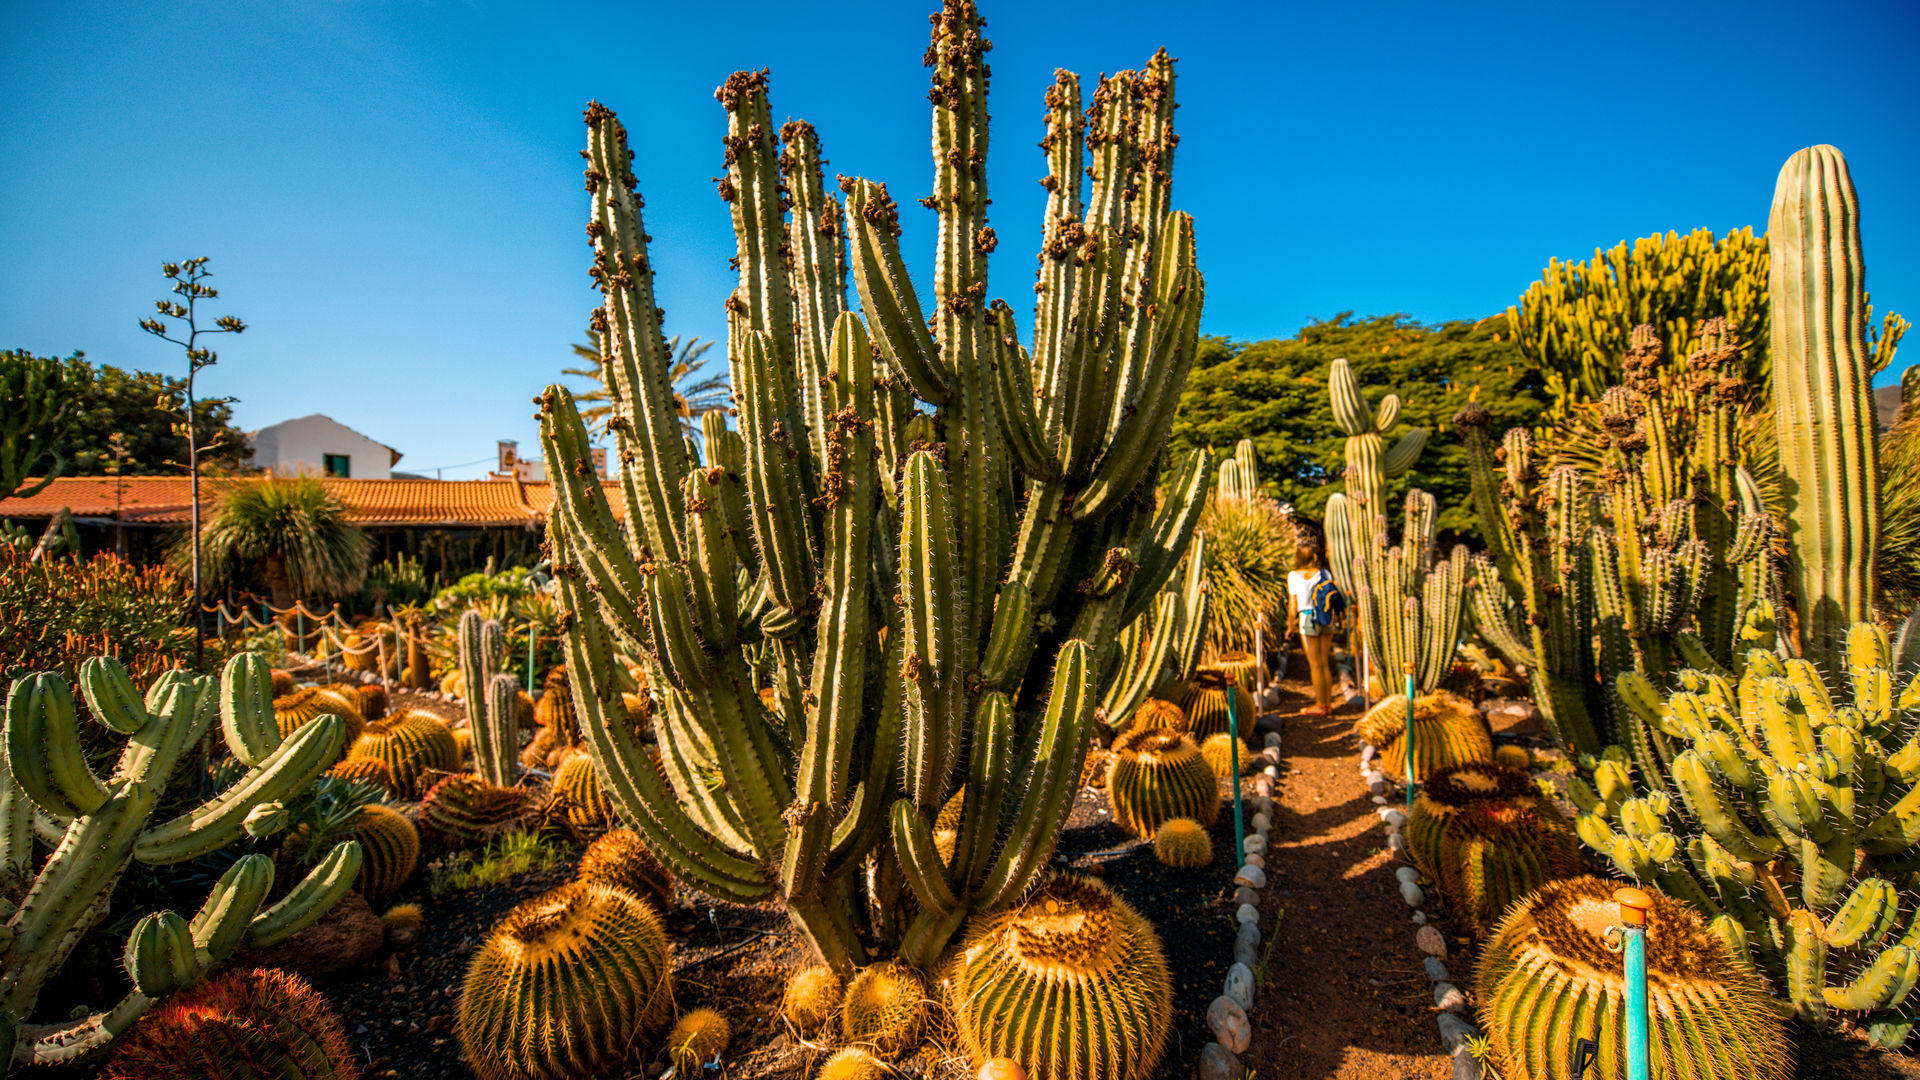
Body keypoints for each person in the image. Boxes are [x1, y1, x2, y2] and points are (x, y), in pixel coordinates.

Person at [1285, 542, 1336, 716]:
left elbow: (1293, 604)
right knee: (1324, 663)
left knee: (1315, 666)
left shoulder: (1293, 576)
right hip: (1327, 617)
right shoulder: (1325, 573)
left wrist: (1290, 624)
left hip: (1307, 618)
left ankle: (1320, 705)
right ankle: (1327, 704)